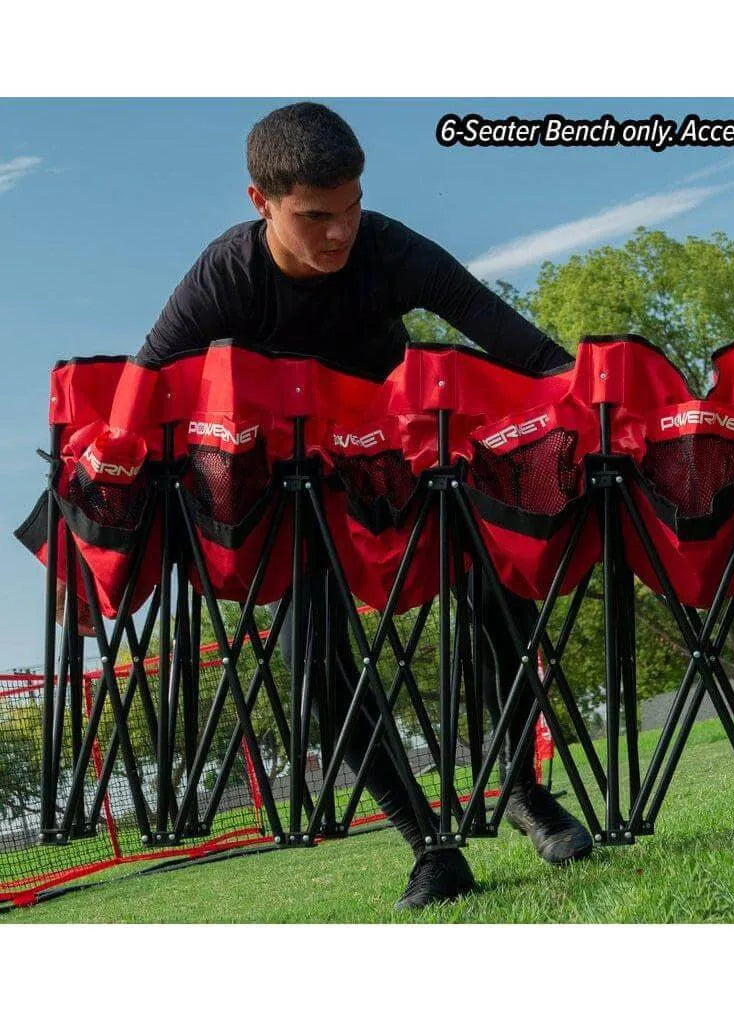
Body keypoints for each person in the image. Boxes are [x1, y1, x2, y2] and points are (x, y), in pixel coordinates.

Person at [135, 102, 592, 909]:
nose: (339, 233)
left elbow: (515, 341)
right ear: (261, 202)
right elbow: (139, 395)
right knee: (308, 666)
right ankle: (430, 847)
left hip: (400, 469)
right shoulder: (227, 275)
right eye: (316, 217)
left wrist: (604, 403)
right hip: (299, 496)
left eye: (349, 208)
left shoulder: (387, 246)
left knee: (502, 592)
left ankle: (521, 789)